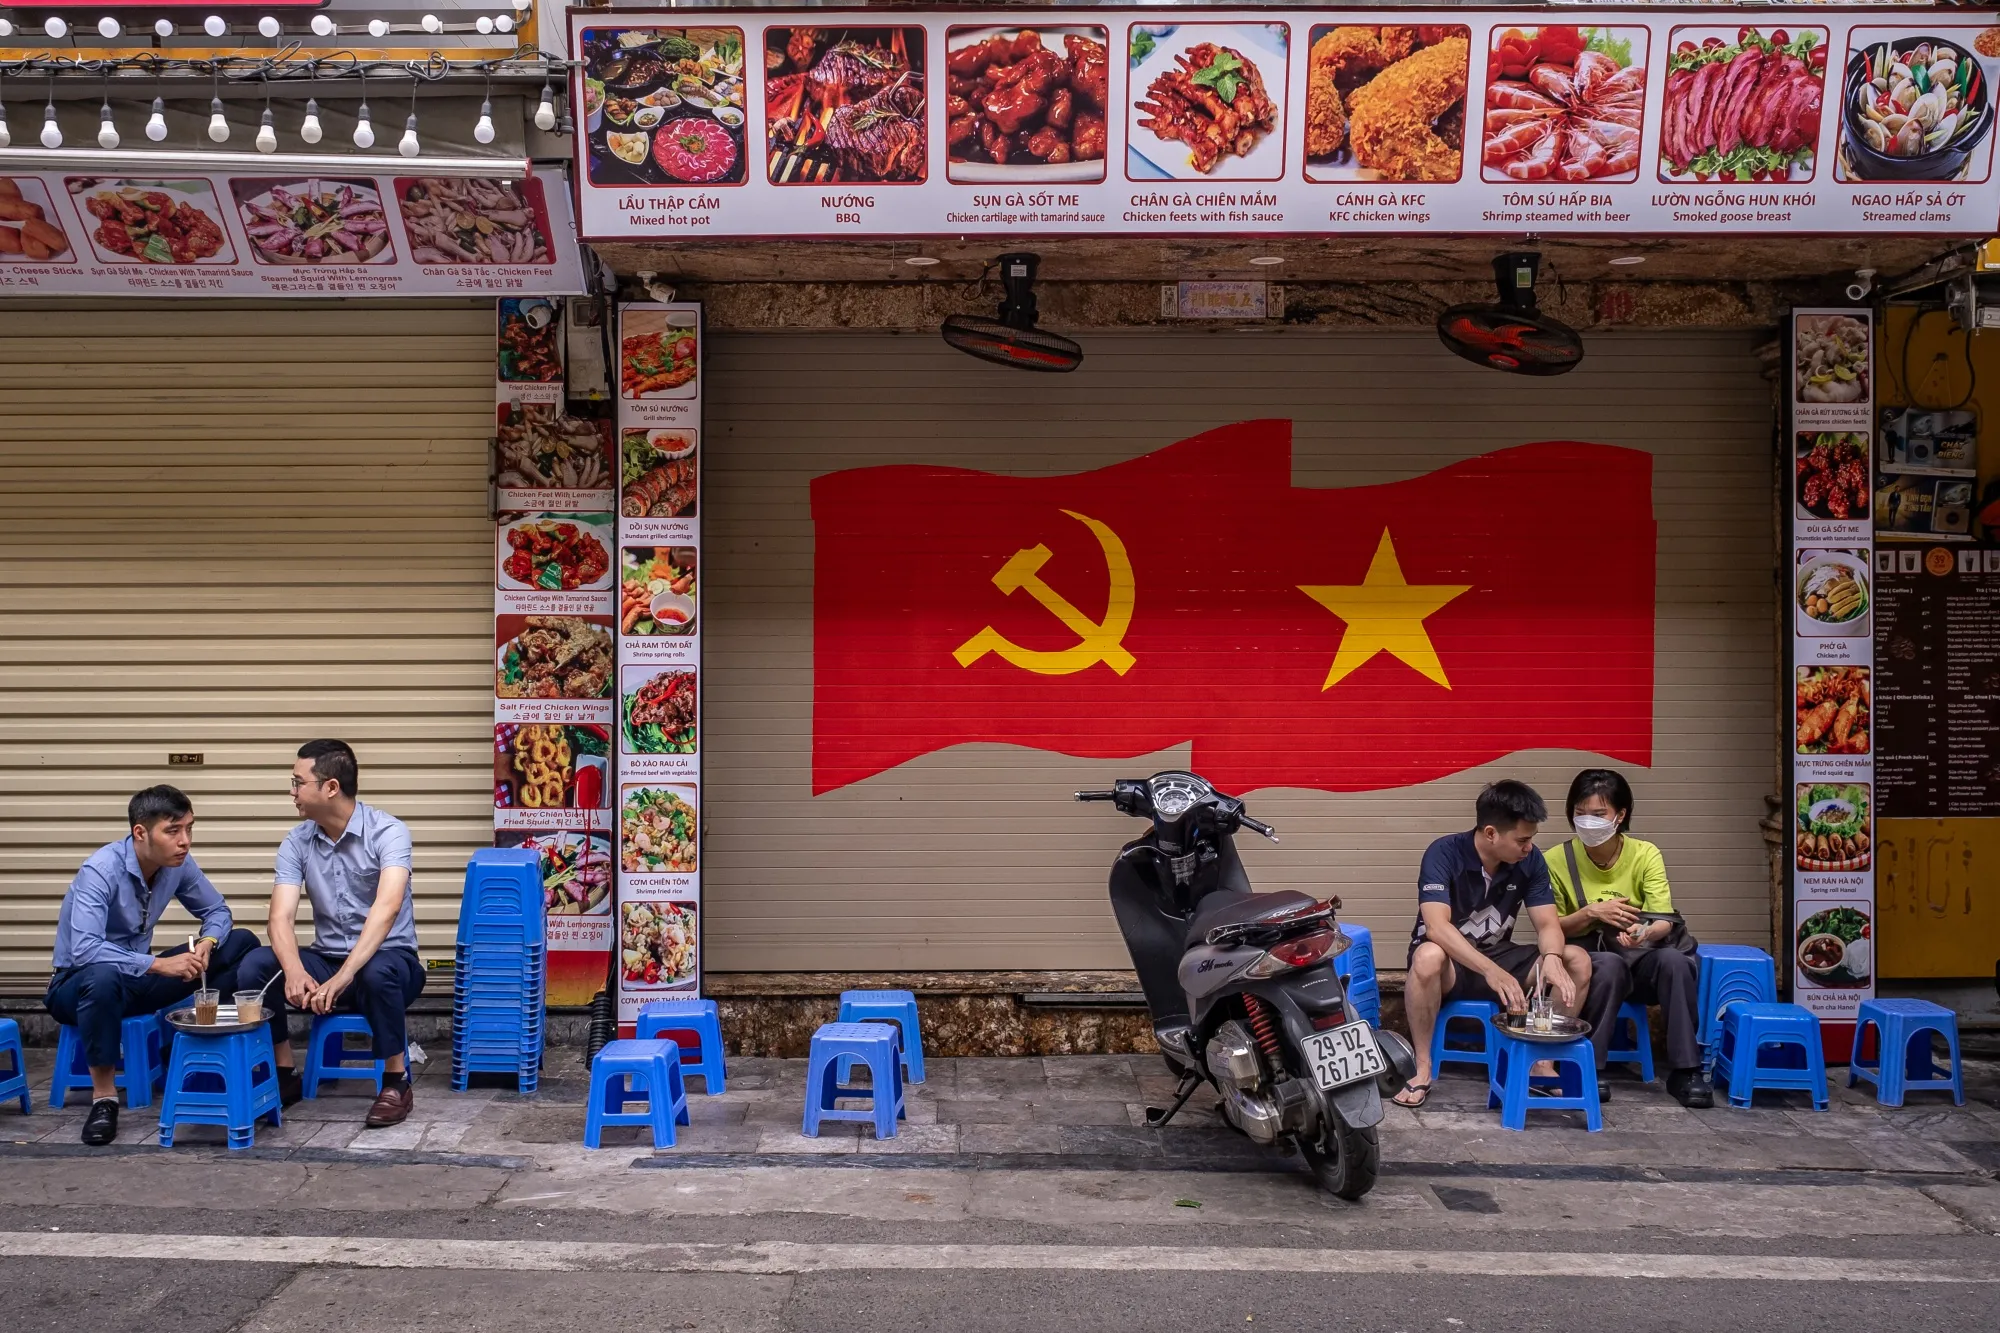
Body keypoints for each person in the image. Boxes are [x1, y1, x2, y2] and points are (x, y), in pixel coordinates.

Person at [44, 786, 262, 1146]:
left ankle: (181, 1051)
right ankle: (104, 1099)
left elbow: (217, 911)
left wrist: (207, 944)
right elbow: (84, 950)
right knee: (102, 977)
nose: (185, 841)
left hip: (136, 981)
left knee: (241, 942)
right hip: (76, 986)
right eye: (173, 831)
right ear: (140, 833)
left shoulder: (176, 865)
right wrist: (160, 965)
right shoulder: (100, 871)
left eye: (190, 829)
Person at [236, 740, 427, 1128]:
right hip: (327, 959)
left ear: (331, 787)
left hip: (390, 961)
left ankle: (396, 1082)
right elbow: (280, 917)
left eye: (297, 782)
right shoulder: (297, 841)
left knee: (376, 972)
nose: (292, 792)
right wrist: (292, 970)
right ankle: (284, 1071)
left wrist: (344, 977)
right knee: (256, 964)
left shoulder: (388, 832)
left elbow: (386, 909)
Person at [1394, 779, 1612, 1110]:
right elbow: (1437, 928)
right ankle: (1422, 1067)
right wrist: (1491, 971)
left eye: (1531, 840)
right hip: (1453, 965)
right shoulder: (1444, 853)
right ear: (1492, 833)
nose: (1529, 847)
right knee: (1427, 955)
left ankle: (1542, 1065)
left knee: (1576, 959)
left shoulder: (1531, 861)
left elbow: (1548, 923)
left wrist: (1552, 956)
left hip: (1499, 956)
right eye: (1522, 840)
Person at [1549, 769, 1714, 1109]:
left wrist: (1643, 932)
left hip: (1642, 962)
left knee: (1674, 962)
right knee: (1607, 964)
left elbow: (1663, 920)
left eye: (1598, 814)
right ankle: (1588, 1067)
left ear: (1620, 815)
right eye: (1580, 813)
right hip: (1597, 968)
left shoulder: (1645, 854)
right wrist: (1593, 913)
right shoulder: (1555, 860)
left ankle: (1686, 1070)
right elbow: (1550, 927)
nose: (1587, 822)